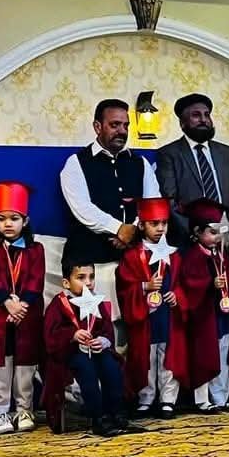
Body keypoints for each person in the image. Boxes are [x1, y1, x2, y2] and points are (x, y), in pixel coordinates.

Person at [59, 98, 161, 340]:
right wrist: (117, 228)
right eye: (115, 125)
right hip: (92, 263)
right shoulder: (76, 163)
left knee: (135, 332)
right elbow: (82, 208)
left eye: (126, 125)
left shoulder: (140, 163)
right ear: (97, 127)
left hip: (133, 263)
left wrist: (131, 231)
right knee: (98, 332)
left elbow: (151, 203)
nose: (122, 131)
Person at [0, 181, 45, 435]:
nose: (8, 224)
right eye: (2, 218)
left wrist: (22, 306)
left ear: (25, 221)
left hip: (27, 315)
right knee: (0, 365)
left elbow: (36, 279)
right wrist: (8, 304)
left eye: (14, 218)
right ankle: (1, 412)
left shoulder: (35, 249)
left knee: (25, 364)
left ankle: (24, 409)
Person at [116, 198, 189, 418]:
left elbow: (182, 284)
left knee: (168, 357)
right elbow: (123, 287)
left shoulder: (174, 255)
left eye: (164, 223)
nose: (160, 228)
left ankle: (168, 399)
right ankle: (145, 398)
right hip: (145, 317)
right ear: (141, 225)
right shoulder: (132, 256)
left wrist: (177, 296)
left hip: (168, 316)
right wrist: (143, 286)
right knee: (146, 358)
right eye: (154, 223)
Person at [43, 256, 128, 436]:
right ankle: (97, 417)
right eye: (81, 278)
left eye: (91, 277)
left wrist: (102, 341)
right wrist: (72, 335)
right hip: (70, 354)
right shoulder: (59, 305)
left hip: (96, 351)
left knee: (111, 367)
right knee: (86, 369)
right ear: (66, 283)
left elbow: (107, 329)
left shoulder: (97, 302)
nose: (88, 283)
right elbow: (51, 335)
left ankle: (115, 411)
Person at [179, 198, 229, 411]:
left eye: (219, 232)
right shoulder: (193, 256)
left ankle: (221, 399)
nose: (217, 237)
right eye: (212, 232)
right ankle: (202, 400)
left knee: (225, 354)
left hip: (225, 314)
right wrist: (210, 283)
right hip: (205, 317)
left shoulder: (223, 256)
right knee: (205, 356)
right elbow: (190, 284)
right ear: (197, 232)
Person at [156, 93, 229, 244]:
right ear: (182, 123)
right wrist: (196, 233)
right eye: (196, 115)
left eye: (207, 115)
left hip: (228, 238)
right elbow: (169, 200)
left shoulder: (227, 153)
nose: (203, 120)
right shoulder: (169, 154)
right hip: (190, 240)